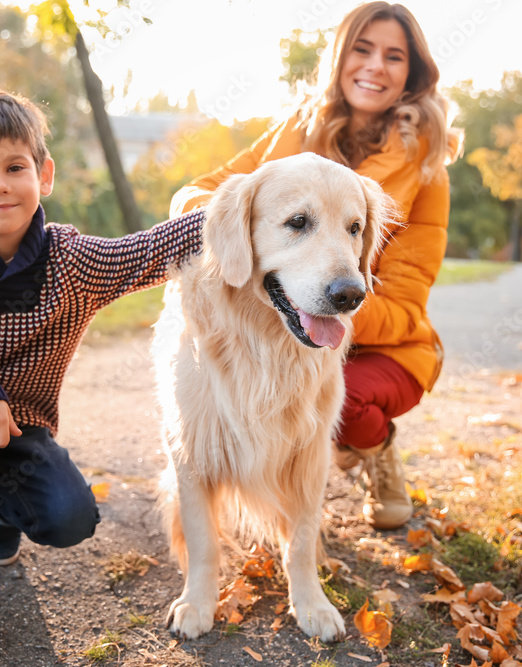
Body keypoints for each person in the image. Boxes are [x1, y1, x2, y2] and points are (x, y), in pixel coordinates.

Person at [0, 91, 203, 666]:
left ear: (43, 174)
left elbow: (152, 249)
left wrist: (247, 203)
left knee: (70, 518)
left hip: (18, 431)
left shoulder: (71, 260)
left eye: (14, 167)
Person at [170, 2, 461, 531]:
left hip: (382, 343)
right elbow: (204, 191)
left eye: (394, 57)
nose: (375, 66)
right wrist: (225, 234)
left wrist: (328, 306)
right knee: (239, 380)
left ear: (411, 76)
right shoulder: (294, 130)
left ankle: (376, 447)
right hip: (295, 322)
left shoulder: (426, 170)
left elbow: (404, 300)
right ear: (340, 57)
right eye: (362, 49)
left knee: (338, 402)